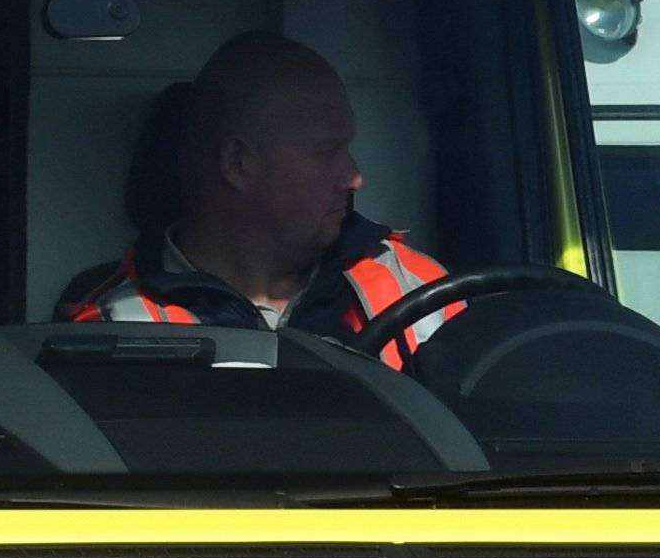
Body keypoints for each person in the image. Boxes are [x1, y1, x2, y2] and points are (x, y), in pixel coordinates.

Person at [64, 33, 455, 364]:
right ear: (238, 163)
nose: (355, 178)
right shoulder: (114, 327)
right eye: (326, 152)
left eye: (346, 148)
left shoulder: (415, 287)